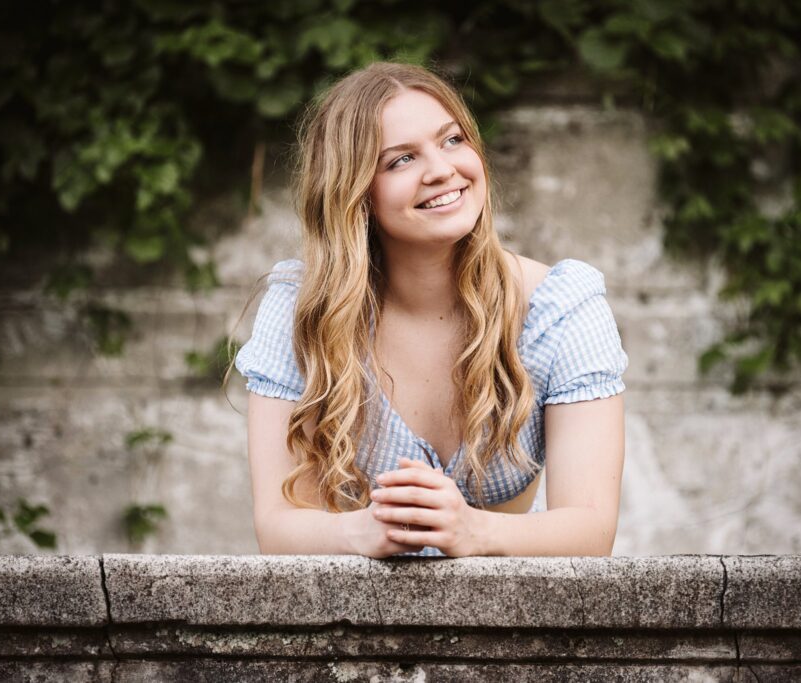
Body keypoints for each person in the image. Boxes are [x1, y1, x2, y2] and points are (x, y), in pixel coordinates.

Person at [234, 62, 628, 558]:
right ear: (354, 193)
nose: (442, 169)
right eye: (400, 160)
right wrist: (363, 532)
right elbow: (277, 526)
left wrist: (474, 531)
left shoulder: (561, 310)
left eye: (452, 140)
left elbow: (592, 532)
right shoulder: (300, 310)